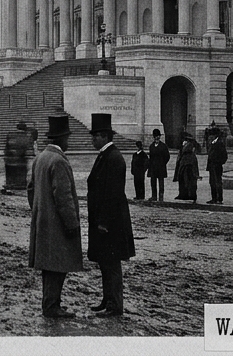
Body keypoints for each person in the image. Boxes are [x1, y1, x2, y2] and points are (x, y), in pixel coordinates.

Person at [26, 114, 82, 319]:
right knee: (58, 265)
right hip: (58, 224)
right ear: (62, 138)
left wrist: (39, 210)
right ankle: (52, 307)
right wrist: (71, 223)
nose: (68, 141)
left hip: (43, 221)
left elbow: (31, 189)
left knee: (49, 265)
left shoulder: (40, 158)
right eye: (67, 137)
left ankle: (50, 303)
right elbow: (64, 196)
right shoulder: (58, 161)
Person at [86, 114, 134, 318]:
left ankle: (115, 305)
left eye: (95, 136)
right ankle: (107, 299)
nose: (93, 140)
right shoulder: (105, 155)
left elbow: (113, 193)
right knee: (105, 262)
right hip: (104, 221)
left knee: (112, 263)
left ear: (104, 136)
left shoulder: (113, 158)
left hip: (111, 223)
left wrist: (104, 222)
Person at [173, 133, 200, 201]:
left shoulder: (188, 147)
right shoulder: (185, 147)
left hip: (187, 166)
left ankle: (189, 195)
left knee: (188, 180)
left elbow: (186, 157)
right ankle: (183, 194)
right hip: (183, 166)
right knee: (183, 180)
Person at [206, 122, 228, 204]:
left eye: (211, 135)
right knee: (212, 182)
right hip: (211, 166)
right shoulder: (213, 143)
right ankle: (214, 198)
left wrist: (218, 163)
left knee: (217, 182)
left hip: (217, 166)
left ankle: (219, 198)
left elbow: (224, 156)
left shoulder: (220, 143)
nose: (209, 137)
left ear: (214, 135)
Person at [147, 129, 171, 202]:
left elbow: (167, 156)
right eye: (155, 136)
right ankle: (154, 196)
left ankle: (161, 196)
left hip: (160, 167)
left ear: (159, 137)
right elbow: (150, 157)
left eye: (157, 136)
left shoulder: (163, 146)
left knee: (161, 182)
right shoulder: (151, 146)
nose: (156, 138)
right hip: (153, 168)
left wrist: (162, 163)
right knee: (153, 182)